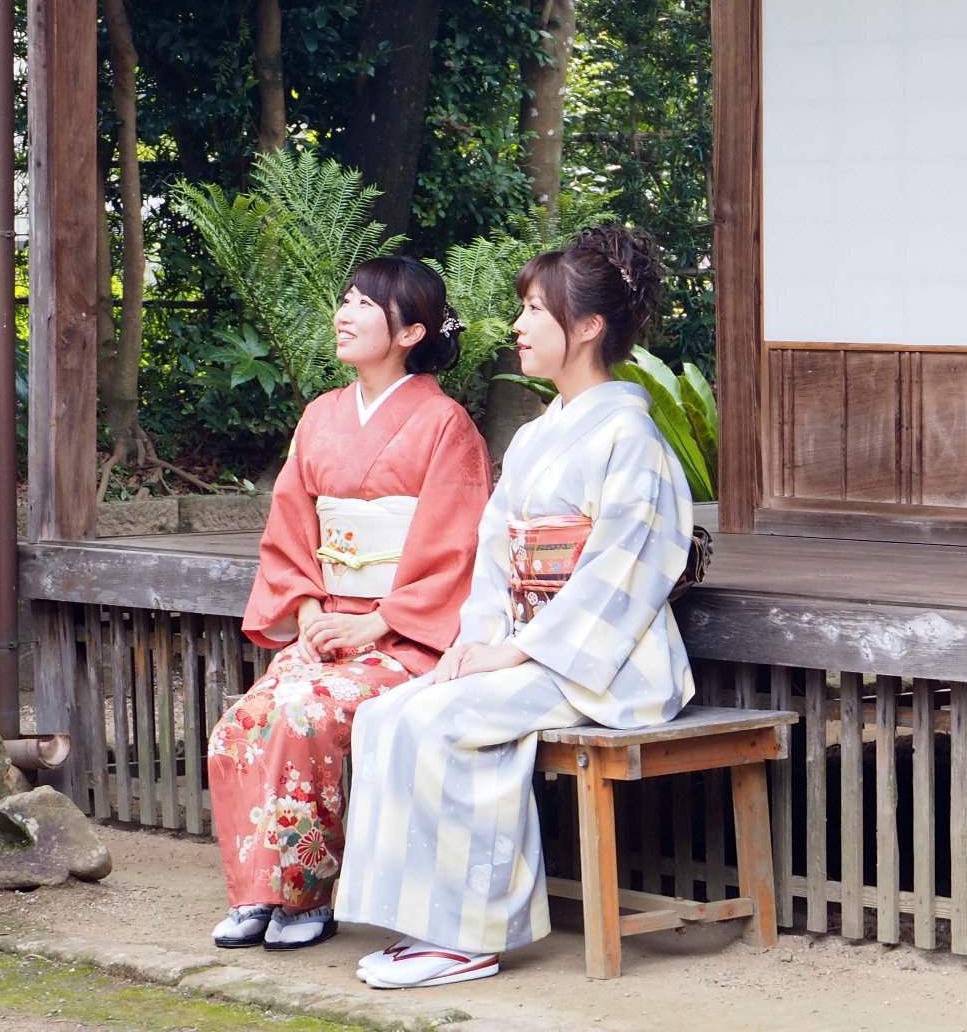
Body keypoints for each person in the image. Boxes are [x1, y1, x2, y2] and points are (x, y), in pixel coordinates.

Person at [336, 226, 694, 989]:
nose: (518, 325)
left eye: (535, 309)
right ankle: (424, 922)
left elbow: (621, 574)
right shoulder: (534, 439)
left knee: (446, 721)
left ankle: (470, 935)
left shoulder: (631, 436)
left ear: (587, 326)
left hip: (608, 661)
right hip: (534, 647)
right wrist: (479, 641)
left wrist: (519, 650)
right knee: (387, 714)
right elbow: (494, 557)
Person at [206, 256, 491, 953]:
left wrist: (376, 623)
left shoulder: (446, 424)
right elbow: (291, 530)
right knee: (242, 723)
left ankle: (304, 896)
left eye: (365, 304)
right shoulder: (320, 416)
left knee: (304, 715)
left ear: (411, 332)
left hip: (404, 639)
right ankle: (258, 892)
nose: (345, 314)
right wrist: (306, 615)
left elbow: (456, 547)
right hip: (329, 625)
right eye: (346, 299)